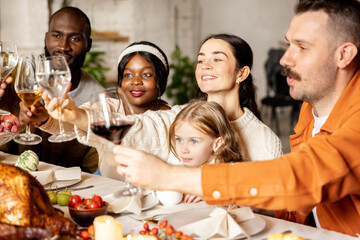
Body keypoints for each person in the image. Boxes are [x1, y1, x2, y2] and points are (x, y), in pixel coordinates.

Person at [113, 0, 360, 236]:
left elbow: (302, 176)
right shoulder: (312, 108)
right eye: (288, 45)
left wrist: (170, 177)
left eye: (302, 47)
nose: (284, 59)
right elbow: (301, 207)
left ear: (343, 55)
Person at [45, 33, 282, 171]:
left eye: (217, 59)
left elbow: (272, 204)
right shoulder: (178, 117)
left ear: (242, 73)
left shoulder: (265, 140)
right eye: (201, 60)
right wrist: (76, 116)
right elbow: (136, 128)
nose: (205, 66)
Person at [42, 41, 171, 179]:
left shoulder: (171, 117)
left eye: (146, 75)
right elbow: (73, 124)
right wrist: (45, 118)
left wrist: (79, 116)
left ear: (161, 80)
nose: (136, 81)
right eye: (128, 75)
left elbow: (143, 129)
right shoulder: (107, 106)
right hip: (109, 187)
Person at [0, 6, 104, 173]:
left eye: (75, 38)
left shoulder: (96, 99)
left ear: (88, 44)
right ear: (46, 38)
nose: (63, 46)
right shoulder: (14, 76)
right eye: (56, 36)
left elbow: (94, 169)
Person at [167, 100, 243, 203]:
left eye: (194, 141)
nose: (183, 150)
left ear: (217, 144)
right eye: (179, 139)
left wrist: (211, 193)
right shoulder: (176, 160)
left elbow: (241, 197)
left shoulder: (227, 170)